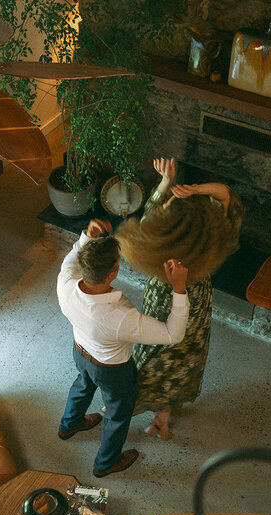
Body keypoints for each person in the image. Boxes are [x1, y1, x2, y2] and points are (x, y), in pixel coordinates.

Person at [115, 157, 244, 440]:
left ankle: (148, 412)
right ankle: (163, 415)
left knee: (150, 357)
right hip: (194, 307)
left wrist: (166, 181)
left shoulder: (156, 237)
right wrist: (195, 190)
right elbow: (226, 194)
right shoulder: (209, 239)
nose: (166, 202)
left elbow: (152, 208)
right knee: (183, 361)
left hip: (162, 302)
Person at [57, 218, 189, 477]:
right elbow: (173, 334)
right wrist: (179, 288)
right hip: (112, 371)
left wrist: (86, 236)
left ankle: (68, 425)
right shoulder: (121, 316)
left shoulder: (65, 280)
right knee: (117, 414)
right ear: (112, 274)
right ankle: (105, 463)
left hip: (81, 351)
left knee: (82, 385)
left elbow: (72, 258)